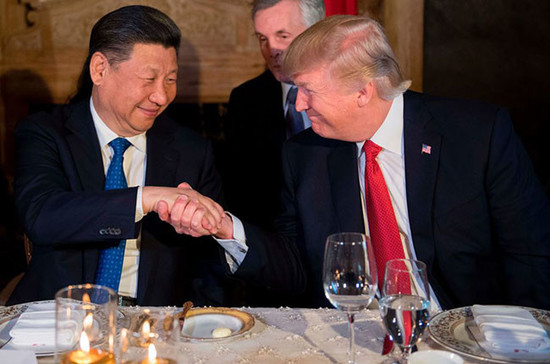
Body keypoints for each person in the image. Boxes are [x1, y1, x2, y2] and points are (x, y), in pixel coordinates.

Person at [180, 15, 550, 310]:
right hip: (358, 332)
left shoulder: (477, 135)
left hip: (463, 332)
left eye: (308, 91)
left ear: (363, 91)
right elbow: (296, 269)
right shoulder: (306, 154)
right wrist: (228, 228)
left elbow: (531, 254)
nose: (299, 106)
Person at [9, 5, 236, 307]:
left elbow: (212, 259)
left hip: (152, 323)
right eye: (149, 79)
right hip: (57, 316)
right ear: (100, 69)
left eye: (170, 79)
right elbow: (41, 214)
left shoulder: (191, 151)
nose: (162, 96)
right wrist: (145, 198)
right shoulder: (45, 133)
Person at [220, 0, 325, 230]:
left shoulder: (345, 91)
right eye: (262, 39)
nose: (271, 51)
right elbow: (240, 191)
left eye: (283, 36)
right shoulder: (244, 99)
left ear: (315, 32)